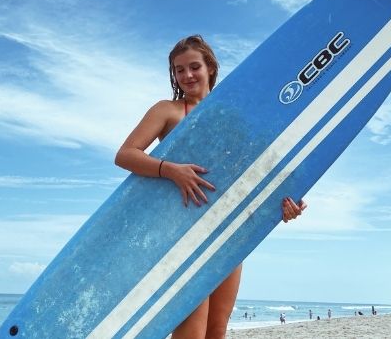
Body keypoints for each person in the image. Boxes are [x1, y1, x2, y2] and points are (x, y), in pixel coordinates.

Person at [115, 34, 307, 339]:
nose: (187, 75)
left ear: (210, 69)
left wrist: (285, 205)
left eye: (194, 67)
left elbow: (254, 172)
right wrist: (171, 170)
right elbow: (125, 155)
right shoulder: (168, 111)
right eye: (179, 70)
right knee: (191, 331)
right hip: (182, 234)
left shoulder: (233, 116)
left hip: (227, 231)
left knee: (216, 331)